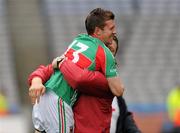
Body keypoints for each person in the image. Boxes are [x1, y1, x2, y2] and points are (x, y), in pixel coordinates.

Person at [28, 8, 124, 133]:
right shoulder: (96, 55)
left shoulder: (80, 40)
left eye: (111, 51)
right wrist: (36, 80)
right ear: (98, 31)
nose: (114, 32)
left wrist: (61, 62)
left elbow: (80, 78)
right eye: (111, 29)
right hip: (58, 100)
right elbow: (47, 70)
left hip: (54, 99)